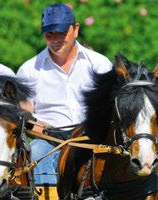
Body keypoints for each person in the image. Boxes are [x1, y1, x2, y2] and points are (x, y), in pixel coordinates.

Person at [17, 3, 112, 186]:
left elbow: (111, 109)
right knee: (36, 150)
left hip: (92, 138)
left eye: (61, 33)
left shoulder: (100, 64)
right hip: (50, 140)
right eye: (49, 34)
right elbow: (23, 117)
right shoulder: (28, 70)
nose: (55, 39)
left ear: (75, 29)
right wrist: (45, 131)